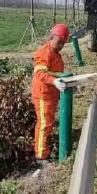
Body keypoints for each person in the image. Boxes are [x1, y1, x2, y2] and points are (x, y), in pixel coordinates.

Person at [32, 24, 70, 162]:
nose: (61, 45)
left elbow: (58, 74)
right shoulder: (44, 52)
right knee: (44, 125)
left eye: (63, 43)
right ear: (52, 37)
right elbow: (40, 72)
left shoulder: (56, 55)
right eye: (59, 42)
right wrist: (54, 82)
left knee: (48, 123)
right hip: (43, 95)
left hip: (51, 95)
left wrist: (70, 84)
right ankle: (41, 157)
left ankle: (45, 148)